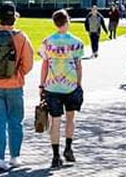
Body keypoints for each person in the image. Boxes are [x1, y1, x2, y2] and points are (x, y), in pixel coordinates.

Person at [0, 1, 34, 172]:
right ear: (14, 18)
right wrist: (18, 74)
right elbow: (28, 63)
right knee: (15, 121)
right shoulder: (21, 37)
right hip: (15, 84)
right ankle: (15, 156)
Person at [39, 9, 86, 169]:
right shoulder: (77, 42)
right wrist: (79, 84)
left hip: (52, 86)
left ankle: (55, 155)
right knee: (70, 119)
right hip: (71, 85)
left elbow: (44, 64)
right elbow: (79, 66)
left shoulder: (47, 42)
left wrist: (42, 84)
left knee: (55, 121)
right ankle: (68, 148)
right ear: (67, 22)